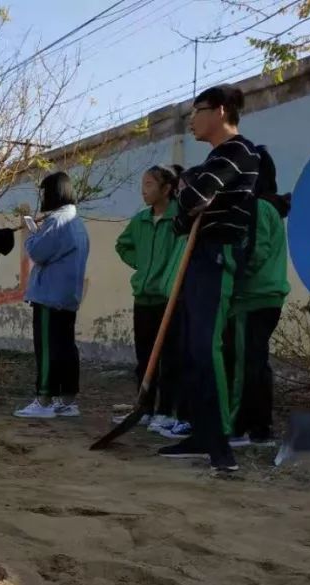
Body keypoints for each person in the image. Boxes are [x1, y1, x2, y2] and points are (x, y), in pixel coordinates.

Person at [160, 84, 260, 473]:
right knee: (190, 348)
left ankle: (221, 445)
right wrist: (189, 194)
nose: (191, 120)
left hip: (217, 254)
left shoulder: (238, 152)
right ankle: (202, 432)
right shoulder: (214, 160)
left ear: (219, 111)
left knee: (205, 347)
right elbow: (182, 220)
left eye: (197, 111)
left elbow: (190, 198)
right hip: (198, 253)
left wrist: (188, 190)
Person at [225, 147, 290, 448]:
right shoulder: (271, 208)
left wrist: (230, 272)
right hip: (268, 296)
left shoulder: (257, 208)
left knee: (242, 365)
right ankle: (260, 429)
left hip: (252, 297)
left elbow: (255, 251)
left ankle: (237, 426)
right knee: (256, 362)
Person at [114, 165, 186, 435]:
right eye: (143, 184)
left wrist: (163, 273)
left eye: (149, 184)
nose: (144, 190)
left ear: (166, 189)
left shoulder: (178, 219)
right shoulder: (141, 220)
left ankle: (167, 410)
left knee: (169, 358)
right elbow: (122, 245)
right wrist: (143, 266)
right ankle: (144, 408)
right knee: (144, 357)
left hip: (167, 298)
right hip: (143, 298)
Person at [14, 172, 90, 419]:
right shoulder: (77, 222)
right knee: (66, 348)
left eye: (44, 192)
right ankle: (67, 400)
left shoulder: (57, 221)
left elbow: (36, 251)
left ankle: (44, 399)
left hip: (49, 296)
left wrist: (29, 228)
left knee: (47, 348)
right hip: (68, 296)